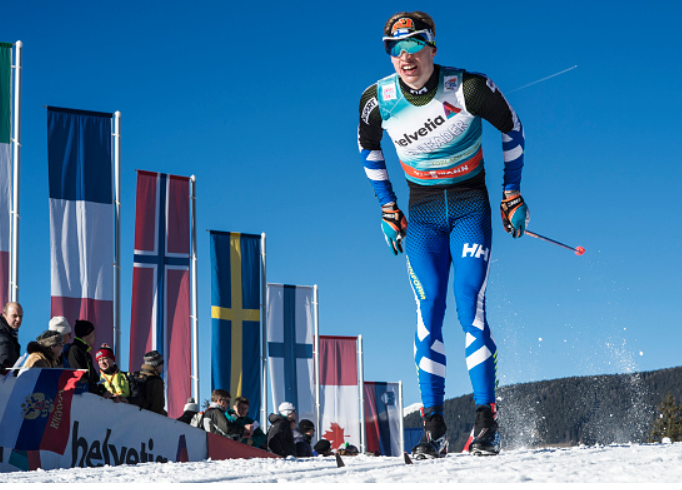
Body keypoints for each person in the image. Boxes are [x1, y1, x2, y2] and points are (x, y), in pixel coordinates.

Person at [357, 11, 529, 457]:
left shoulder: (468, 87)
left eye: (414, 46)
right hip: (424, 217)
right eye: (394, 49)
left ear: (432, 47)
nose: (405, 57)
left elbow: (512, 129)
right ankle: (433, 427)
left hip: (471, 208)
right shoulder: (378, 100)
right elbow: (368, 148)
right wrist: (387, 207)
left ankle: (485, 420)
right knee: (428, 305)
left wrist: (512, 194)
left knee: (469, 305)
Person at [66, 320, 109, 397]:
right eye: (93, 334)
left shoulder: (86, 353)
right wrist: (99, 392)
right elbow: (81, 378)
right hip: (80, 396)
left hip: (88, 395)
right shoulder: (74, 350)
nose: (95, 337)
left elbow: (95, 378)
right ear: (86, 335)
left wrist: (105, 391)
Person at [129, 350, 167, 416]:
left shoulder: (134, 376)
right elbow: (157, 408)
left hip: (133, 416)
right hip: (149, 421)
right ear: (157, 365)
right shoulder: (156, 381)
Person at [0, 302, 23, 370]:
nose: (18, 319)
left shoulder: (9, 333)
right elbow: (5, 361)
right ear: (4, 316)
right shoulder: (2, 334)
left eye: (20, 316)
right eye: (14, 316)